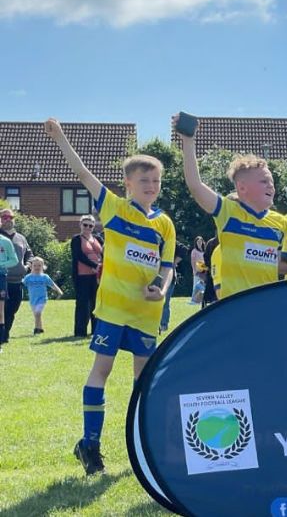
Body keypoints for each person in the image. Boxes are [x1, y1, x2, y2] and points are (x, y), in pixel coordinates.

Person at [45, 117, 176, 475]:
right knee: (101, 371)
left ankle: (142, 448)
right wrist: (61, 138)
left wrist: (161, 290)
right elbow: (84, 173)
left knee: (144, 380)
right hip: (114, 309)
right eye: (143, 180)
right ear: (128, 183)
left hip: (147, 313)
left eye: (156, 181)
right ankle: (90, 446)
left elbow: (167, 266)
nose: (151, 185)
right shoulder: (114, 208)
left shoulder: (165, 223)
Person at [178, 116, 287, 298]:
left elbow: (282, 264)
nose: (271, 186)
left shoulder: (282, 222)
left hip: (268, 307)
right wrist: (188, 140)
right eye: (264, 181)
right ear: (242, 187)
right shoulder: (228, 212)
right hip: (234, 307)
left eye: (272, 181)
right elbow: (195, 186)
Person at [0, 208, 33, 345]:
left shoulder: (21, 238)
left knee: (13, 308)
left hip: (17, 280)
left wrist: (27, 266)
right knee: (2, 309)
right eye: (4, 217)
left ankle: (5, 334)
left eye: (10, 217)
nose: (8, 219)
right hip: (2, 279)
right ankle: (2, 337)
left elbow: (29, 254)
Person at [71, 214, 103, 337]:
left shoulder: (98, 239)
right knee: (83, 303)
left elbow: (105, 253)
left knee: (96, 303)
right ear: (80, 225)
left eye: (91, 225)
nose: (88, 227)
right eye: (85, 225)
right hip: (82, 275)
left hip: (97, 277)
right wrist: (94, 265)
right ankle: (80, 331)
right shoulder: (76, 239)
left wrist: (102, 266)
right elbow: (78, 255)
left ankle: (96, 330)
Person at [23, 256, 64, 334]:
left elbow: (52, 284)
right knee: (36, 315)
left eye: (39, 265)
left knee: (38, 313)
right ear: (31, 266)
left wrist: (59, 291)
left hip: (42, 298)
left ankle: (36, 329)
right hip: (32, 299)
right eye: (35, 265)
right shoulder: (28, 277)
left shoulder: (44, 277)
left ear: (43, 266)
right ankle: (41, 328)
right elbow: (21, 284)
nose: (37, 267)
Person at [160, 242, 188, 333]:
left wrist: (173, 262)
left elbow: (184, 249)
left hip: (168, 277)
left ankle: (164, 324)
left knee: (165, 302)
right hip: (156, 275)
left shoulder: (169, 241)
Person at [0, 229, 21, 350]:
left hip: (1, 277)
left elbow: (14, 260)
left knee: (1, 311)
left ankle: (1, 340)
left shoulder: (5, 241)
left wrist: (2, 264)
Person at [202, 235, 219, 306]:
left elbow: (205, 257)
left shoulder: (211, 242)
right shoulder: (211, 243)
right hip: (212, 273)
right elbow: (206, 257)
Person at [189, 236, 206, 304]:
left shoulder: (204, 250)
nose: (199, 243)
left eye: (200, 241)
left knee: (202, 285)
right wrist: (194, 270)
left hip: (204, 270)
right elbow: (192, 261)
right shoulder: (194, 251)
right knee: (195, 285)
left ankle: (200, 300)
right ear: (196, 243)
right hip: (197, 269)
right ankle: (193, 300)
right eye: (198, 242)